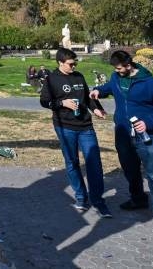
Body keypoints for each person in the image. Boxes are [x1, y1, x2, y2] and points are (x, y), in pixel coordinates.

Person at [91, 49, 153, 231]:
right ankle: (138, 199)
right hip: (123, 133)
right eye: (115, 68)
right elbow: (110, 88)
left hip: (148, 136)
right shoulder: (116, 77)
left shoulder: (149, 83)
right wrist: (99, 90)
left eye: (120, 68)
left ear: (129, 65)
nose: (117, 71)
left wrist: (149, 123)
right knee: (130, 170)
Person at [40, 48, 111, 217]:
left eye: (75, 63)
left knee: (94, 162)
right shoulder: (51, 79)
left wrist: (97, 110)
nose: (74, 66)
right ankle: (81, 197)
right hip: (64, 126)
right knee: (72, 162)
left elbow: (87, 98)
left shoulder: (78, 76)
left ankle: (98, 201)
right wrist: (62, 103)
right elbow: (44, 102)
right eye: (71, 64)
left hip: (85, 126)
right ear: (60, 63)